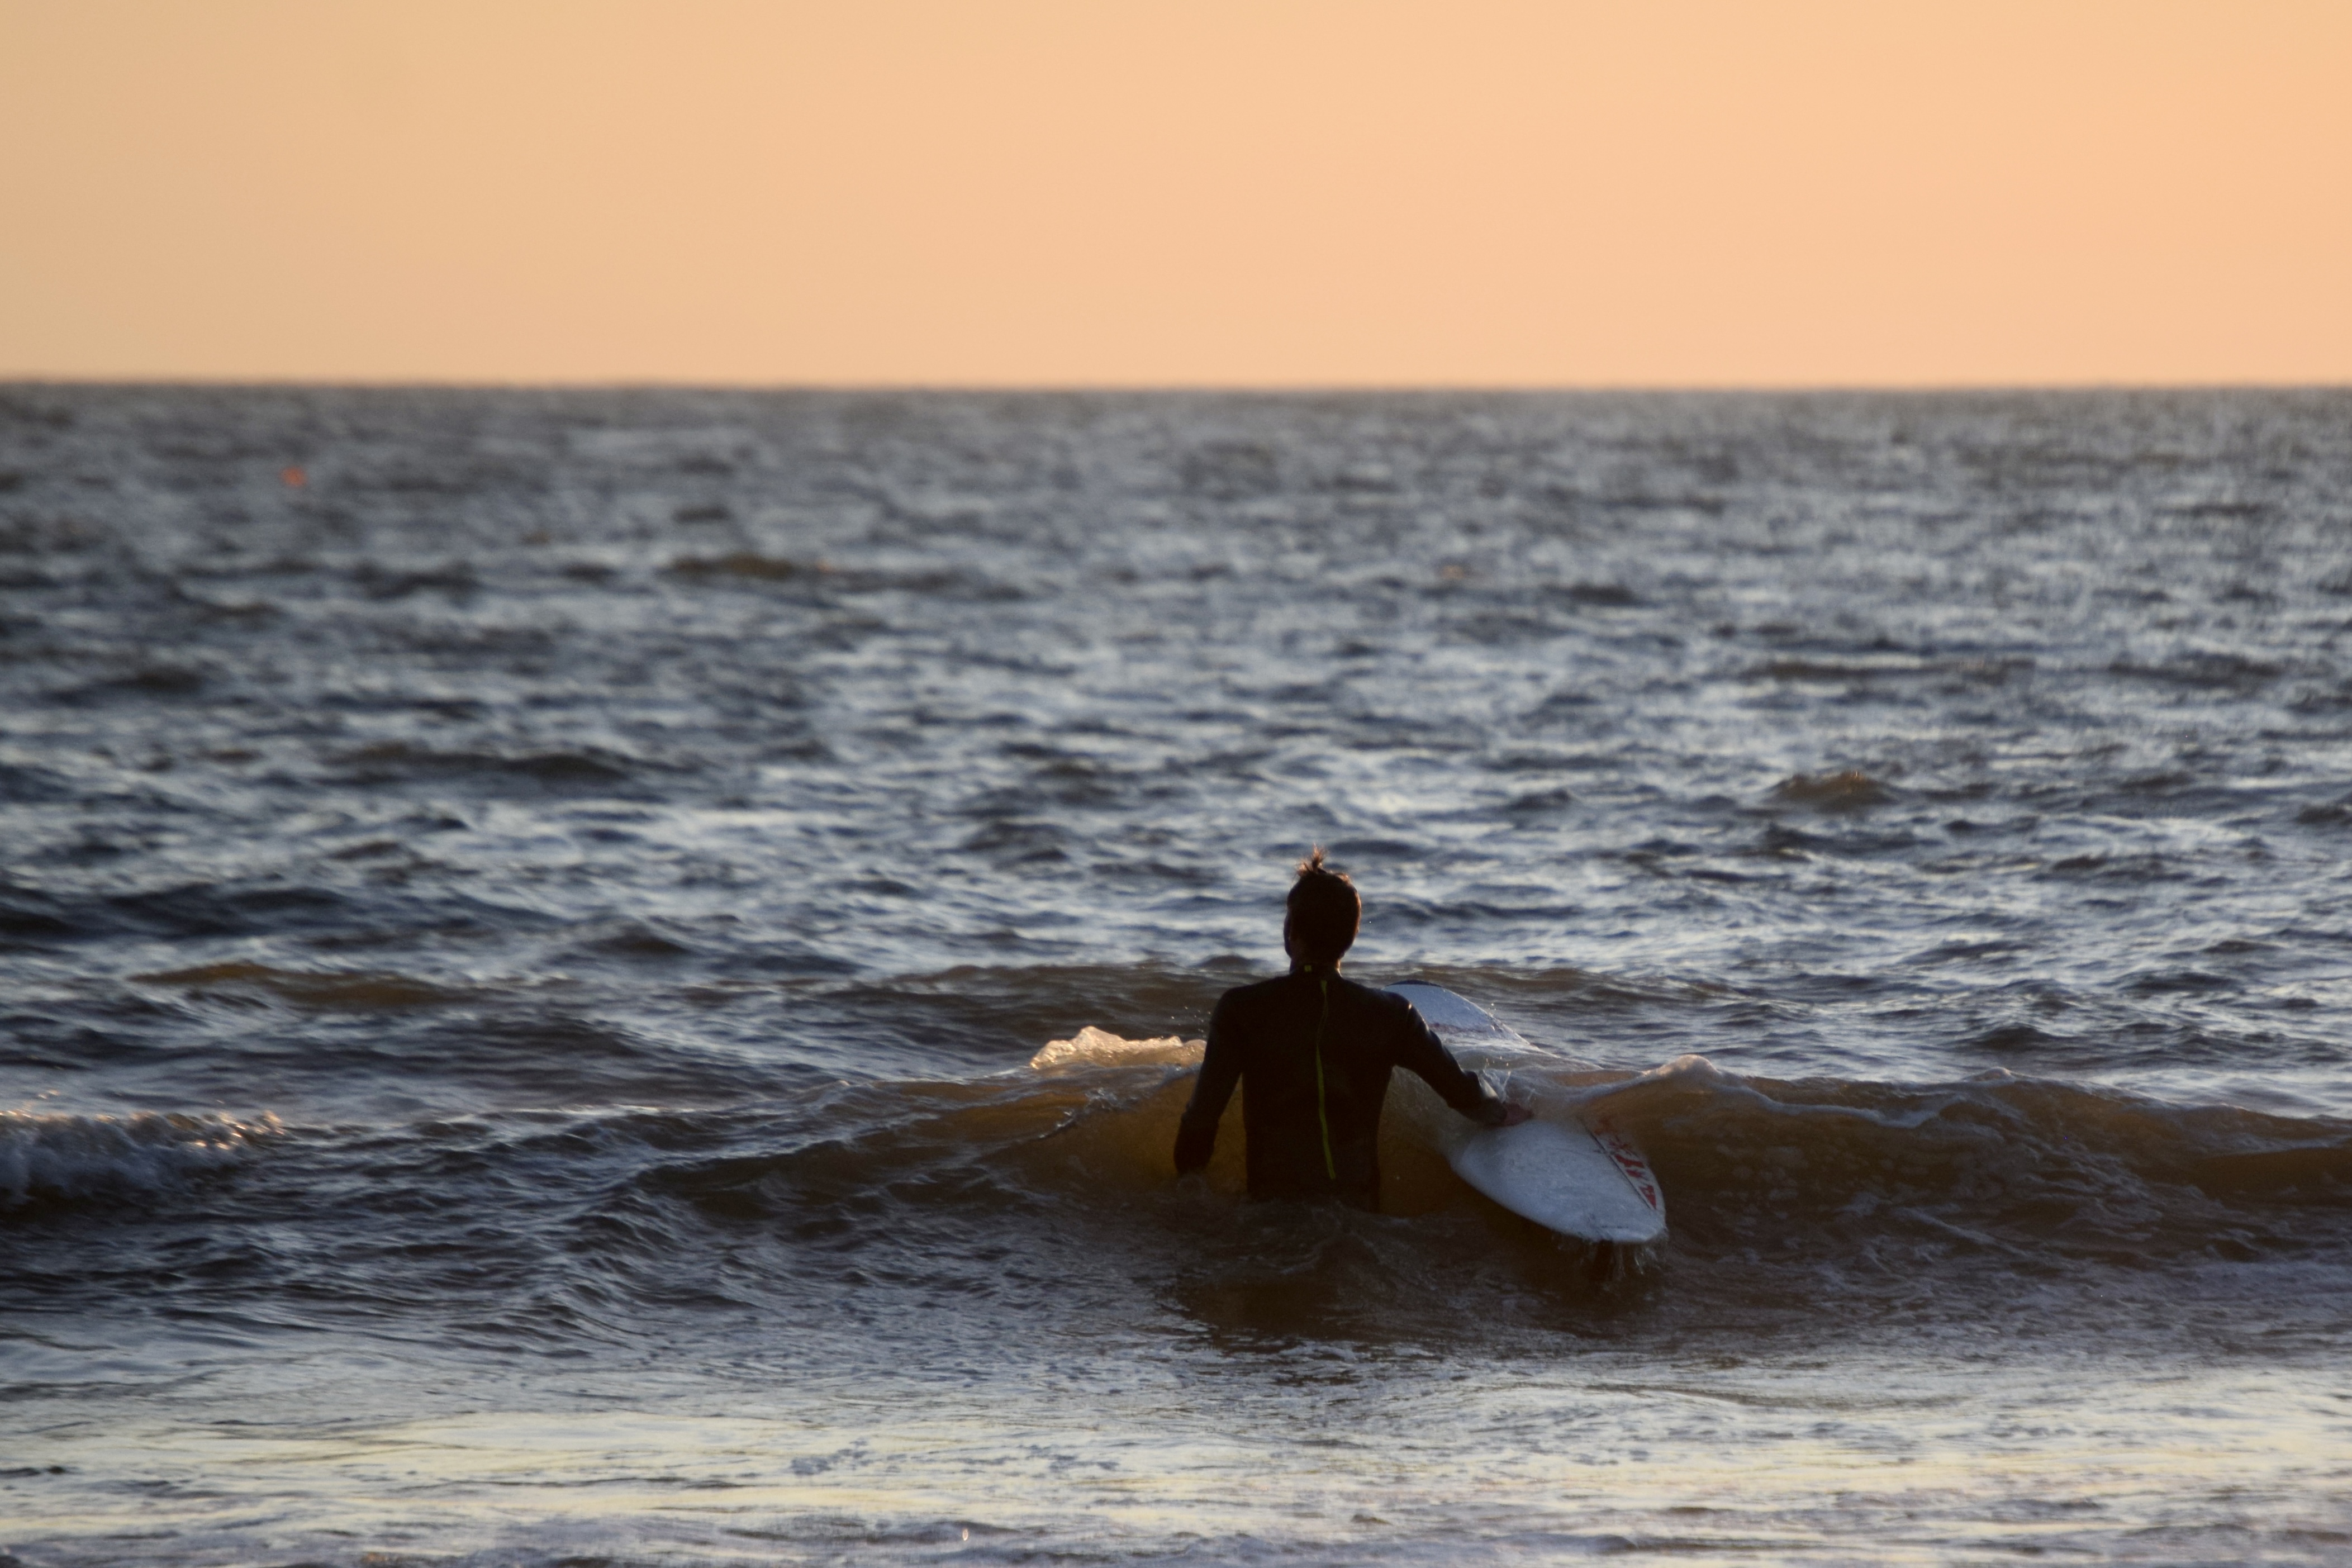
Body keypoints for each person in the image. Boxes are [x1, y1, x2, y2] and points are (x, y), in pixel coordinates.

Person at [1173, 848, 1528, 1209]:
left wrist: (1187, 1187)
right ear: (1351, 937)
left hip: (1272, 1211)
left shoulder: (1241, 1010)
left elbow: (1201, 1118)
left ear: (1290, 931)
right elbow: (1460, 1092)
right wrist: (1500, 1111)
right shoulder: (1391, 1014)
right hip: (1357, 1210)